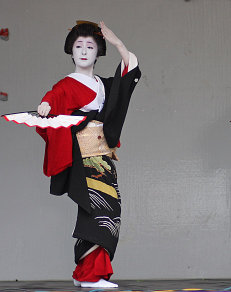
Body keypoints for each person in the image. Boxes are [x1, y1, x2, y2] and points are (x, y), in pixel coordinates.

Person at [36, 21, 141, 288]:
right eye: (79, 46)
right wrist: (46, 105)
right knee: (103, 210)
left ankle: (84, 273)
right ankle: (93, 274)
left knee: (100, 210)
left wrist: (118, 43)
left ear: (98, 53)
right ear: (71, 51)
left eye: (90, 46)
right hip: (84, 157)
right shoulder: (66, 84)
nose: (84, 51)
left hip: (103, 156)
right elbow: (52, 97)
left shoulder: (103, 84)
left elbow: (128, 75)